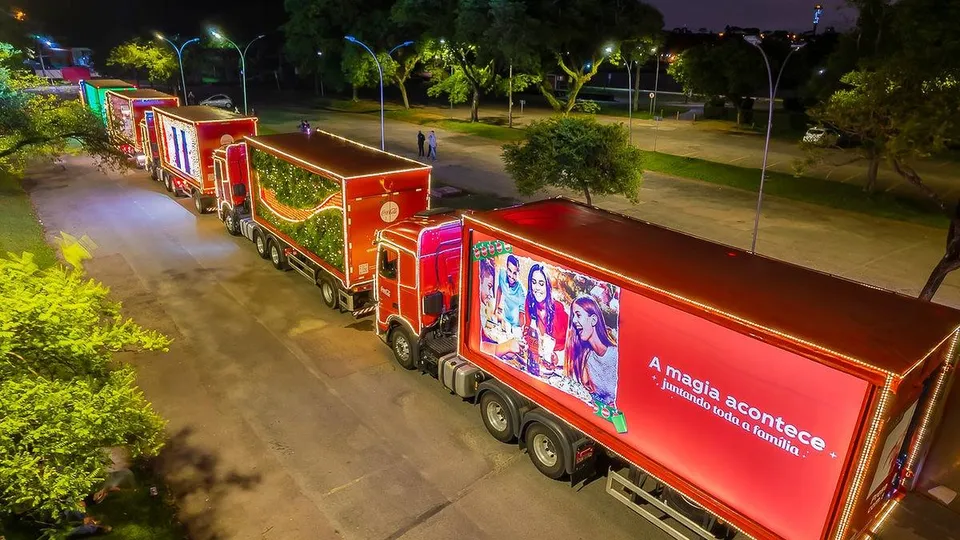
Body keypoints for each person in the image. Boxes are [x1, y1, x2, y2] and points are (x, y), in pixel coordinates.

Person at [566, 295, 619, 406]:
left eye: (578, 315)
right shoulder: (588, 357)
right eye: (573, 316)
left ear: (594, 319)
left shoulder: (616, 355)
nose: (574, 321)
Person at [518, 264, 568, 371]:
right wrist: (525, 342)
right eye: (534, 282)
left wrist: (557, 357)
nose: (536, 288)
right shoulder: (529, 302)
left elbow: (573, 346)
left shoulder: (558, 308)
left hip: (559, 367)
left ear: (547, 286)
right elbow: (527, 331)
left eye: (541, 284)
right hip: (537, 362)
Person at [495, 255, 525, 328]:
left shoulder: (522, 292)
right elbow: (499, 289)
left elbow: (522, 314)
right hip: (504, 320)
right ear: (506, 268)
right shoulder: (502, 274)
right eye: (509, 270)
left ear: (519, 273)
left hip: (516, 326)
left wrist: (520, 329)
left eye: (515, 273)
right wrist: (495, 309)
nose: (511, 276)